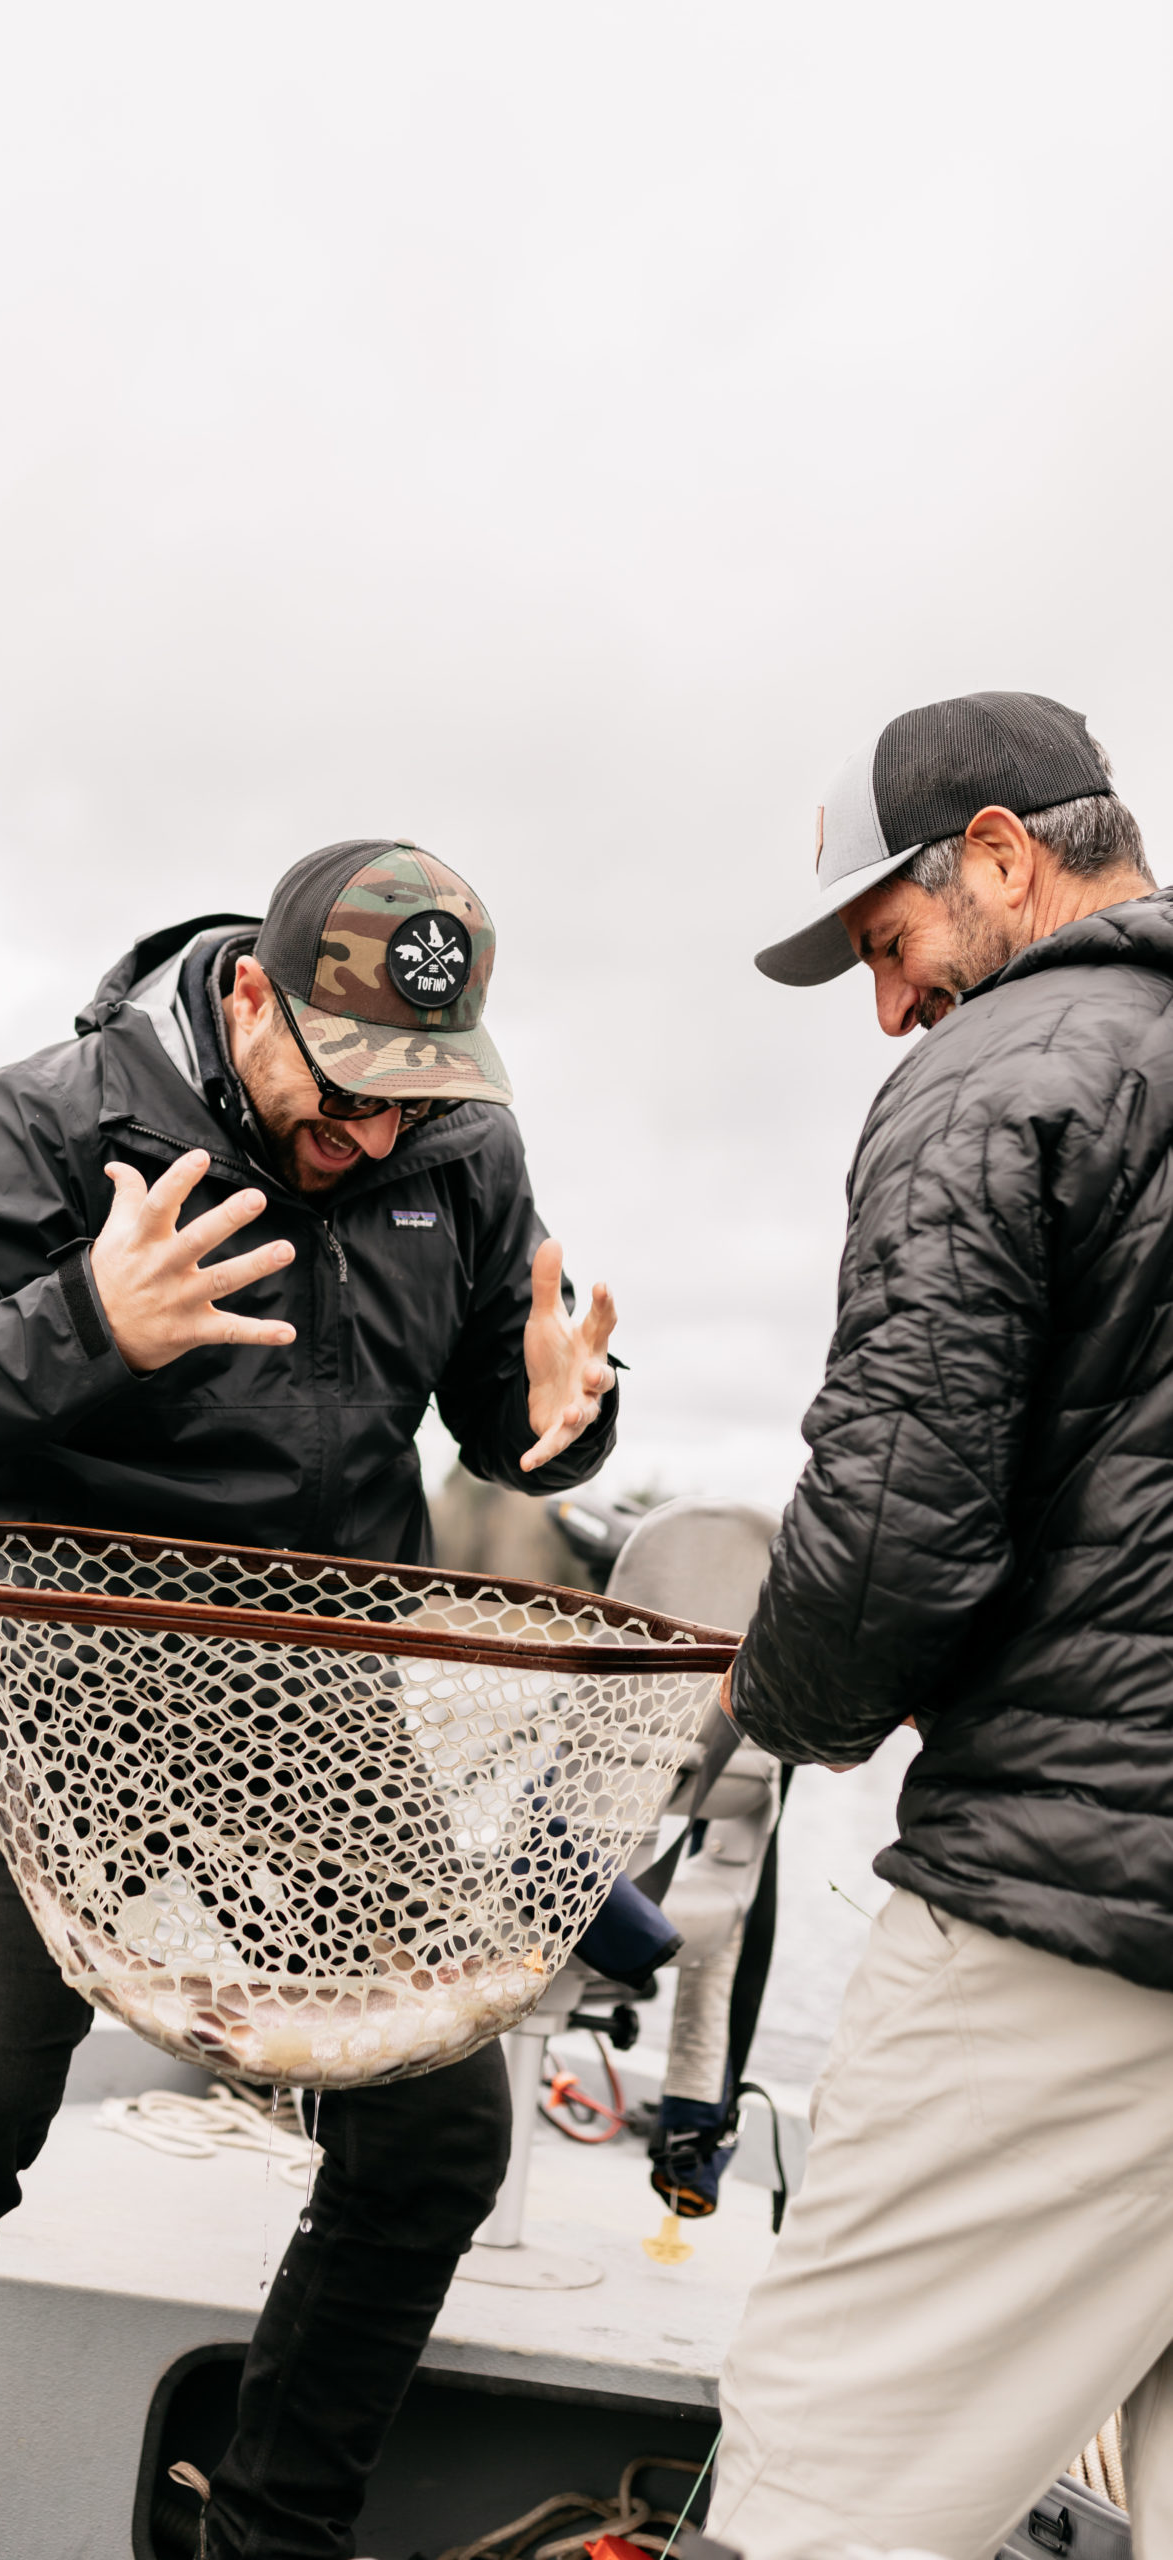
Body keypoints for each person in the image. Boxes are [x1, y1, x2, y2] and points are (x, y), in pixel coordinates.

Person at [0, 839, 621, 2560]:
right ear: (254, 997)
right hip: (49, 1693)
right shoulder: (56, 1120)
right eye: (345, 1093)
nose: (375, 1137)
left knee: (434, 2143)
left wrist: (562, 1424)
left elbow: (501, 1415)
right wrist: (83, 1319)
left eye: (412, 1104)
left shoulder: (462, 1146)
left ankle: (266, 2539)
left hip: (317, 1713)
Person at [707, 692, 1173, 2560]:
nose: (891, 1008)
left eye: (889, 949)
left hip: (1080, 1906)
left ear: (997, 856)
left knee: (820, 2490)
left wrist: (779, 1698)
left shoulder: (1002, 1076)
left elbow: (889, 1536)